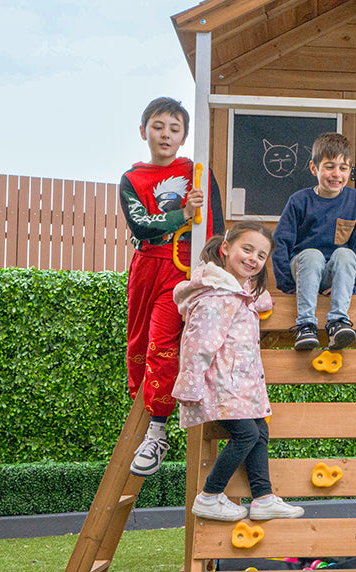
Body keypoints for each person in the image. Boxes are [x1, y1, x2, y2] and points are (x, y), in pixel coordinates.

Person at [175, 221, 303, 522]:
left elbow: (253, 300)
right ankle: (209, 496)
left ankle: (263, 497)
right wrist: (190, 387)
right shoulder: (215, 297)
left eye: (261, 255)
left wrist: (260, 298)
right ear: (225, 249)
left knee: (259, 431)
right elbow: (198, 344)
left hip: (239, 385)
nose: (253, 259)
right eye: (247, 249)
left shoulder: (236, 291)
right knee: (245, 435)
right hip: (221, 384)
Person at [119, 97, 218, 477]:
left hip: (180, 268)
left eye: (174, 129)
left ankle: (158, 430)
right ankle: (145, 417)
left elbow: (215, 223)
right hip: (146, 266)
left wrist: (212, 270)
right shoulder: (132, 179)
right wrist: (182, 213)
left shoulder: (197, 172)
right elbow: (141, 224)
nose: (166, 135)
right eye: (158, 126)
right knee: (139, 345)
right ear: (144, 131)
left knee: (162, 342)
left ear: (184, 137)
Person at [272, 132, 356, 351]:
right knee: (312, 254)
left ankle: (337, 322)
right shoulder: (299, 200)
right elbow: (280, 243)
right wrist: (289, 286)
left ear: (350, 170)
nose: (337, 174)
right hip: (304, 270)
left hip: (334, 275)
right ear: (314, 168)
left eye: (343, 168)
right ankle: (306, 325)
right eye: (329, 166)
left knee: (346, 254)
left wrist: (352, 287)